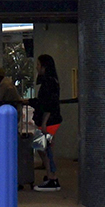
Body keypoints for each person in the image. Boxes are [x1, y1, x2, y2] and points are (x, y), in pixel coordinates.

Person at [30, 54, 63, 191]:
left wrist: (44, 123)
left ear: (44, 66)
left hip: (48, 122)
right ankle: (50, 175)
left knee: (44, 148)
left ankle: (52, 178)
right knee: (43, 147)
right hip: (50, 121)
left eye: (38, 65)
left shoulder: (48, 83)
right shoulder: (52, 81)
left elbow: (49, 104)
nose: (37, 67)